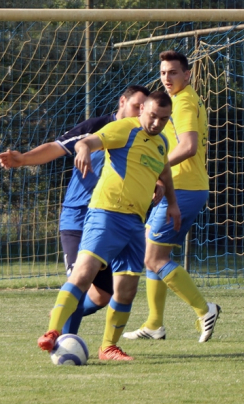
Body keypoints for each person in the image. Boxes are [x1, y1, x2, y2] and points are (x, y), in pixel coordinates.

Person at [38, 91, 181, 361]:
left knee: (126, 289)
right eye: (152, 116)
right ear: (142, 110)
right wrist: (83, 149)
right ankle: (53, 332)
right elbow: (89, 141)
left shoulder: (161, 142)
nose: (156, 123)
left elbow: (165, 172)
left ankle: (108, 347)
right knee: (83, 273)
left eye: (164, 119)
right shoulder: (124, 128)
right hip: (107, 214)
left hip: (135, 223)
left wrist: (172, 203)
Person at [0, 85, 152, 334]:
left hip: (111, 219)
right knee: (80, 282)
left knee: (103, 294)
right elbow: (57, 147)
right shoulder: (97, 127)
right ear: (122, 102)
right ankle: (63, 340)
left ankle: (63, 310)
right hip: (78, 217)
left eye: (144, 109)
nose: (140, 113)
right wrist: (23, 159)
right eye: (136, 106)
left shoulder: (142, 137)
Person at [123, 50, 221, 343]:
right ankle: (154, 324)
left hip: (185, 188)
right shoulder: (180, 99)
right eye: (163, 72)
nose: (167, 78)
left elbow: (188, 146)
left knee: (154, 257)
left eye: (173, 72)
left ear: (187, 74)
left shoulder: (184, 102)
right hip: (177, 187)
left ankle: (205, 309)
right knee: (152, 254)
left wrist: (156, 168)